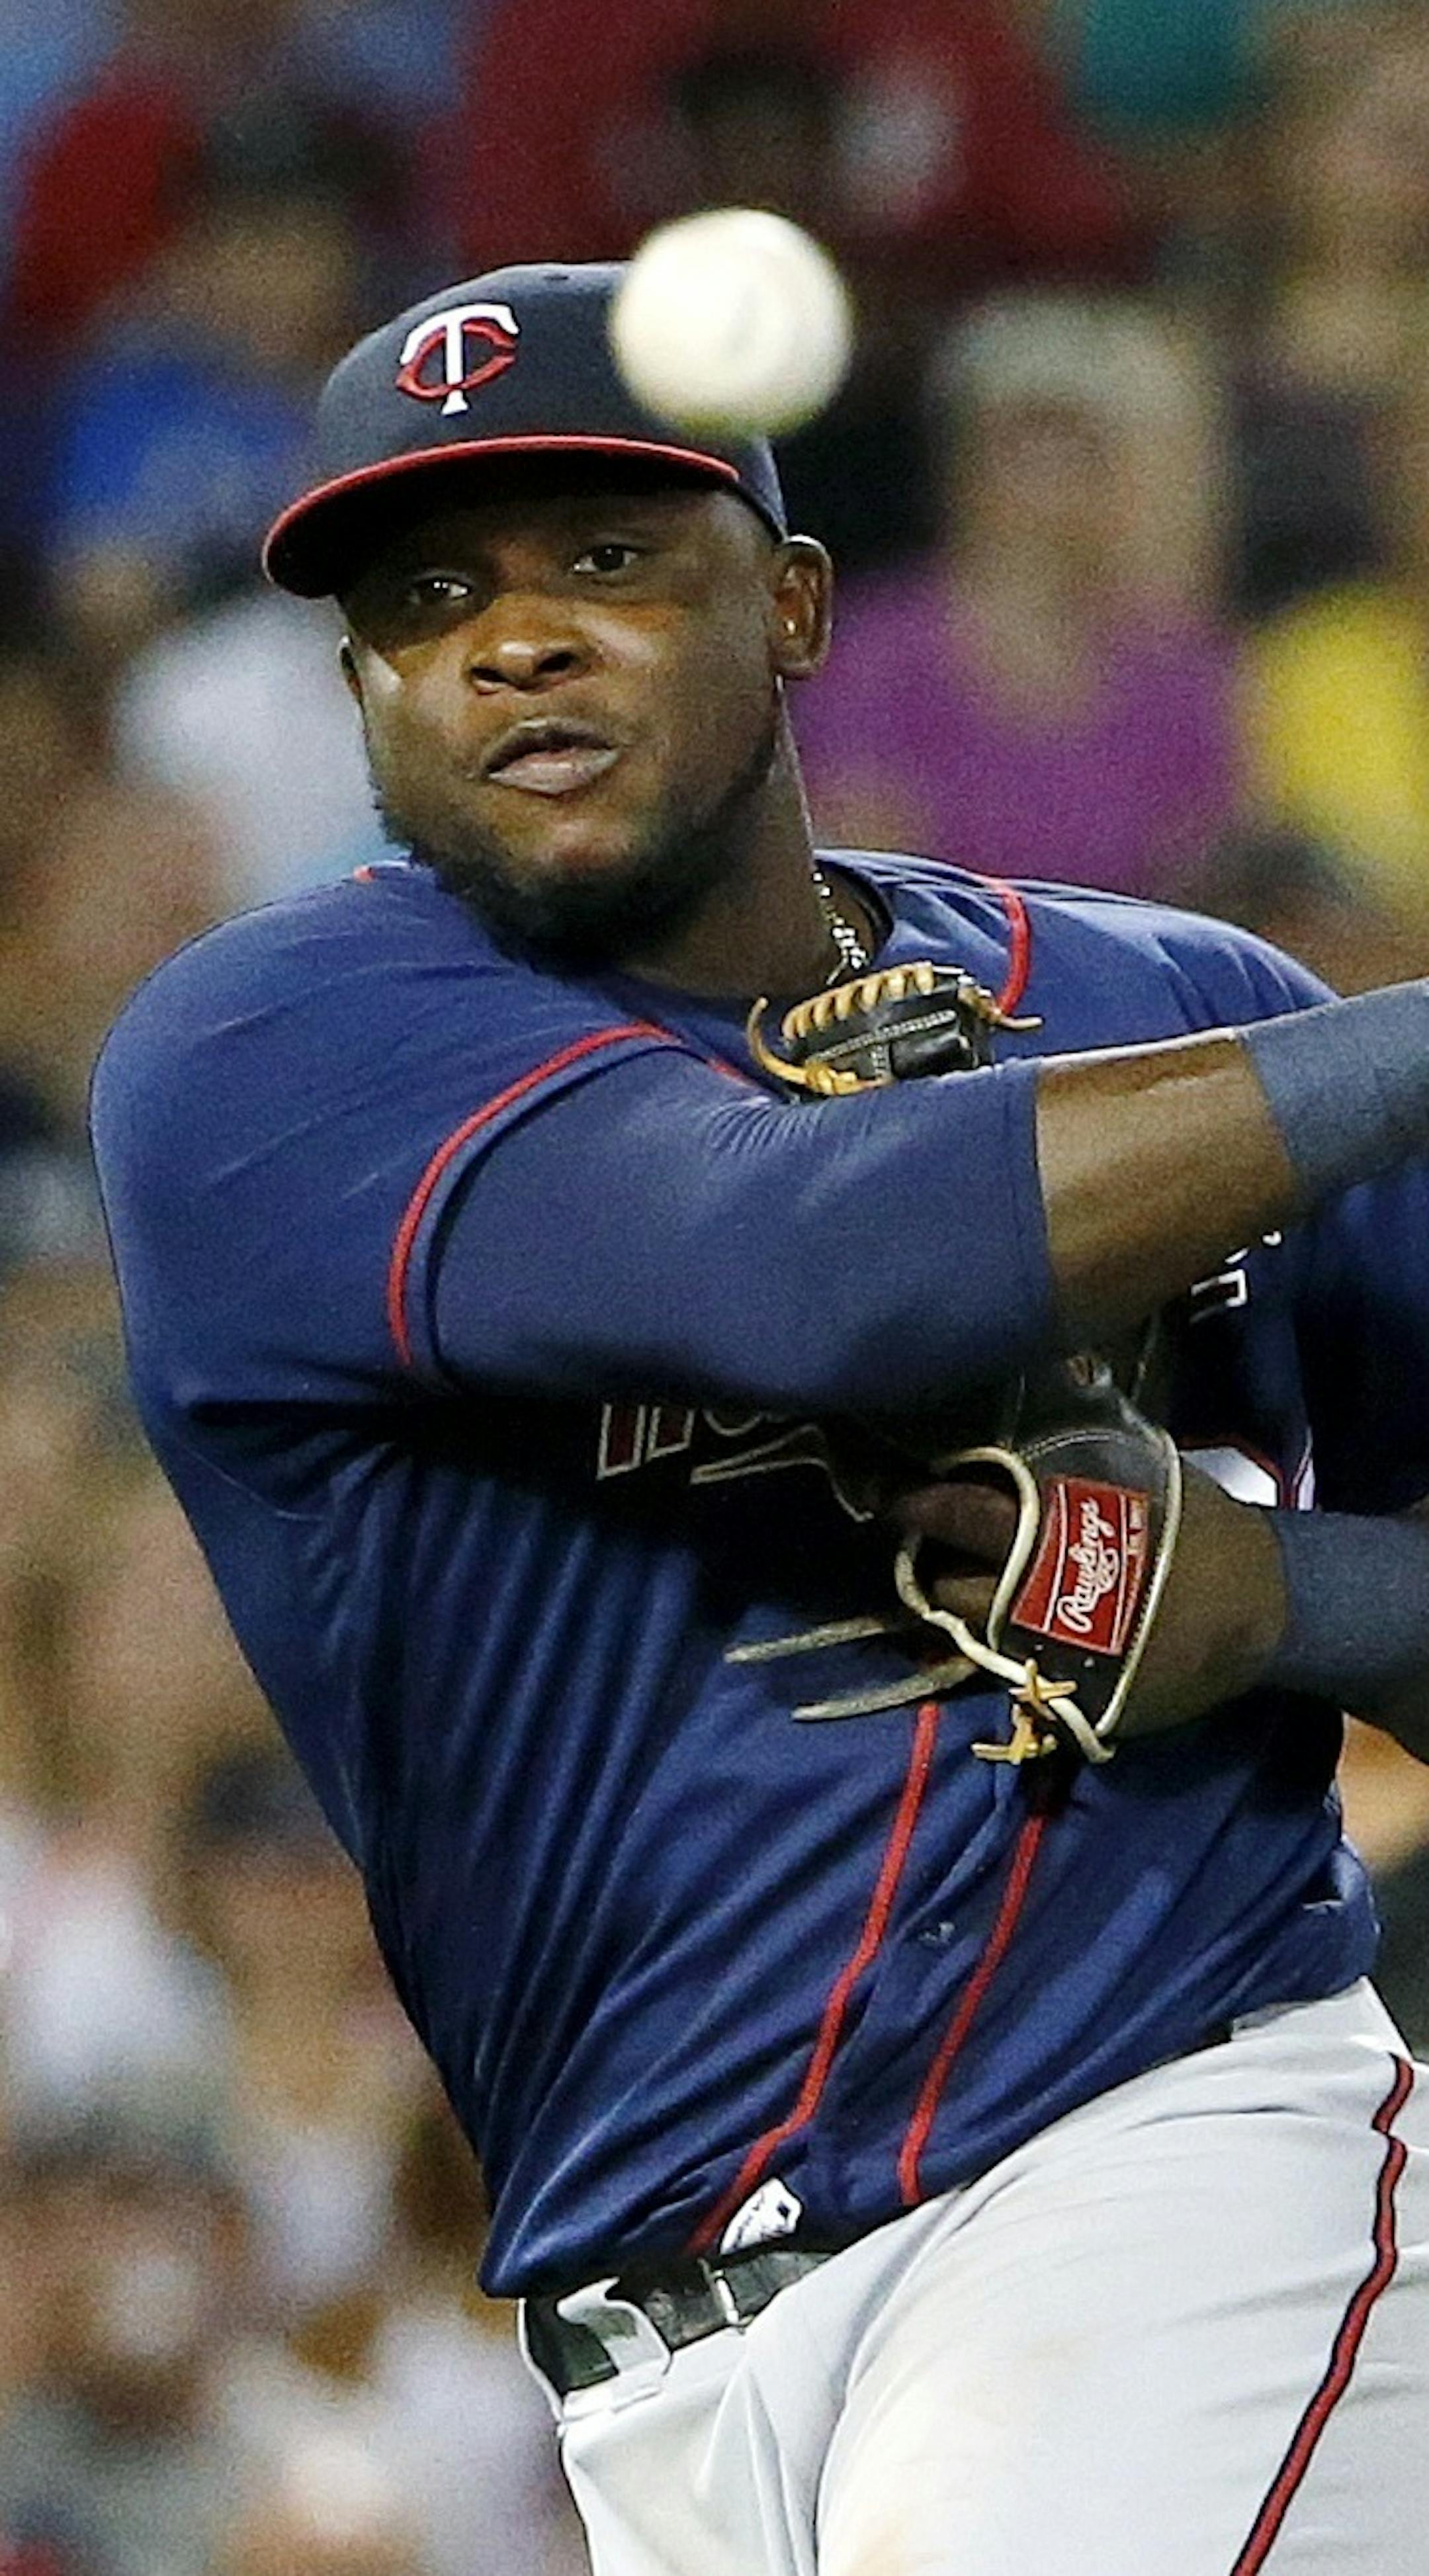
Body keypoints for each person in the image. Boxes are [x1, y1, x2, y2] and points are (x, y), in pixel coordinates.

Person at [89, 261, 1429, 2575]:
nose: (513, 639)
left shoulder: (1176, 1012)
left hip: (1161, 2183)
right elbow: (807, 1266)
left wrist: (1277, 1599)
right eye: (429, 601)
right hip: (654, 2372)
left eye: (608, 558)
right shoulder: (264, 1060)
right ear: (361, 696)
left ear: (797, 607)